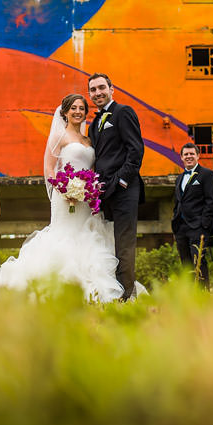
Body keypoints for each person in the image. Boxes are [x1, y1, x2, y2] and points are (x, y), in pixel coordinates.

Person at [0, 94, 144, 307]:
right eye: (73, 108)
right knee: (65, 237)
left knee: (88, 236)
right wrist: (64, 188)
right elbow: (50, 169)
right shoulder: (59, 138)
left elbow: (93, 168)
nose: (78, 112)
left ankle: (96, 286)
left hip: (87, 199)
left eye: (81, 108)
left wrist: (90, 188)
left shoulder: (89, 140)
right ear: (66, 112)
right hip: (66, 197)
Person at [87, 73, 145, 300]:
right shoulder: (94, 123)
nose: (98, 92)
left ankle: (127, 293)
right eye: (93, 89)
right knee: (108, 241)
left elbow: (136, 151)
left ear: (112, 89)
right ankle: (114, 288)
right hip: (104, 193)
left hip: (124, 190)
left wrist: (121, 181)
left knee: (124, 242)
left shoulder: (123, 112)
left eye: (102, 87)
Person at [172, 142, 213, 288]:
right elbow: (178, 201)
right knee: (185, 262)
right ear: (181, 157)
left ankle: (203, 292)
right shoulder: (179, 178)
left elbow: (212, 201)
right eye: (186, 154)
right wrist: (175, 219)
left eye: (192, 153)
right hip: (181, 227)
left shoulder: (207, 174)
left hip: (198, 226)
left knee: (198, 260)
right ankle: (189, 293)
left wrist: (203, 224)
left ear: (198, 155)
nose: (189, 156)